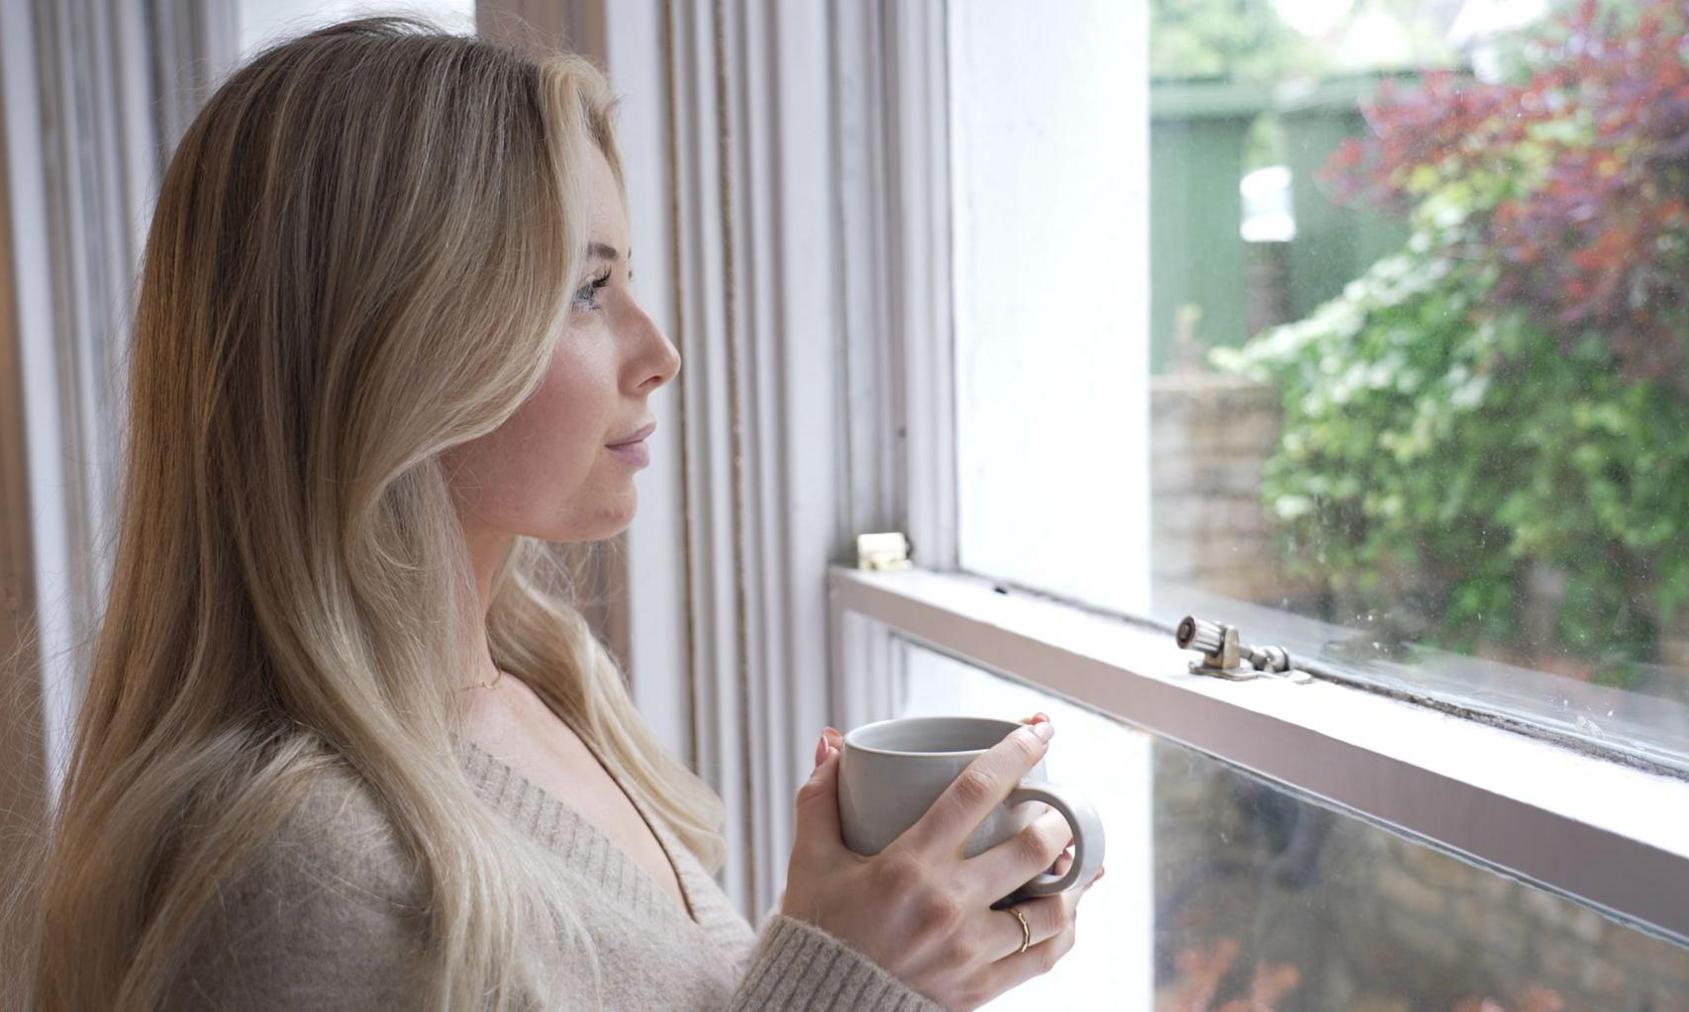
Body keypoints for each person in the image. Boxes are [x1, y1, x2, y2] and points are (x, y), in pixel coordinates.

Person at [12, 16, 1101, 1011]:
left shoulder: (546, 679)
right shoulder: (294, 877)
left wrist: (866, 946)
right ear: (397, 351)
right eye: (586, 291)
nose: (659, 353)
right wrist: (848, 984)